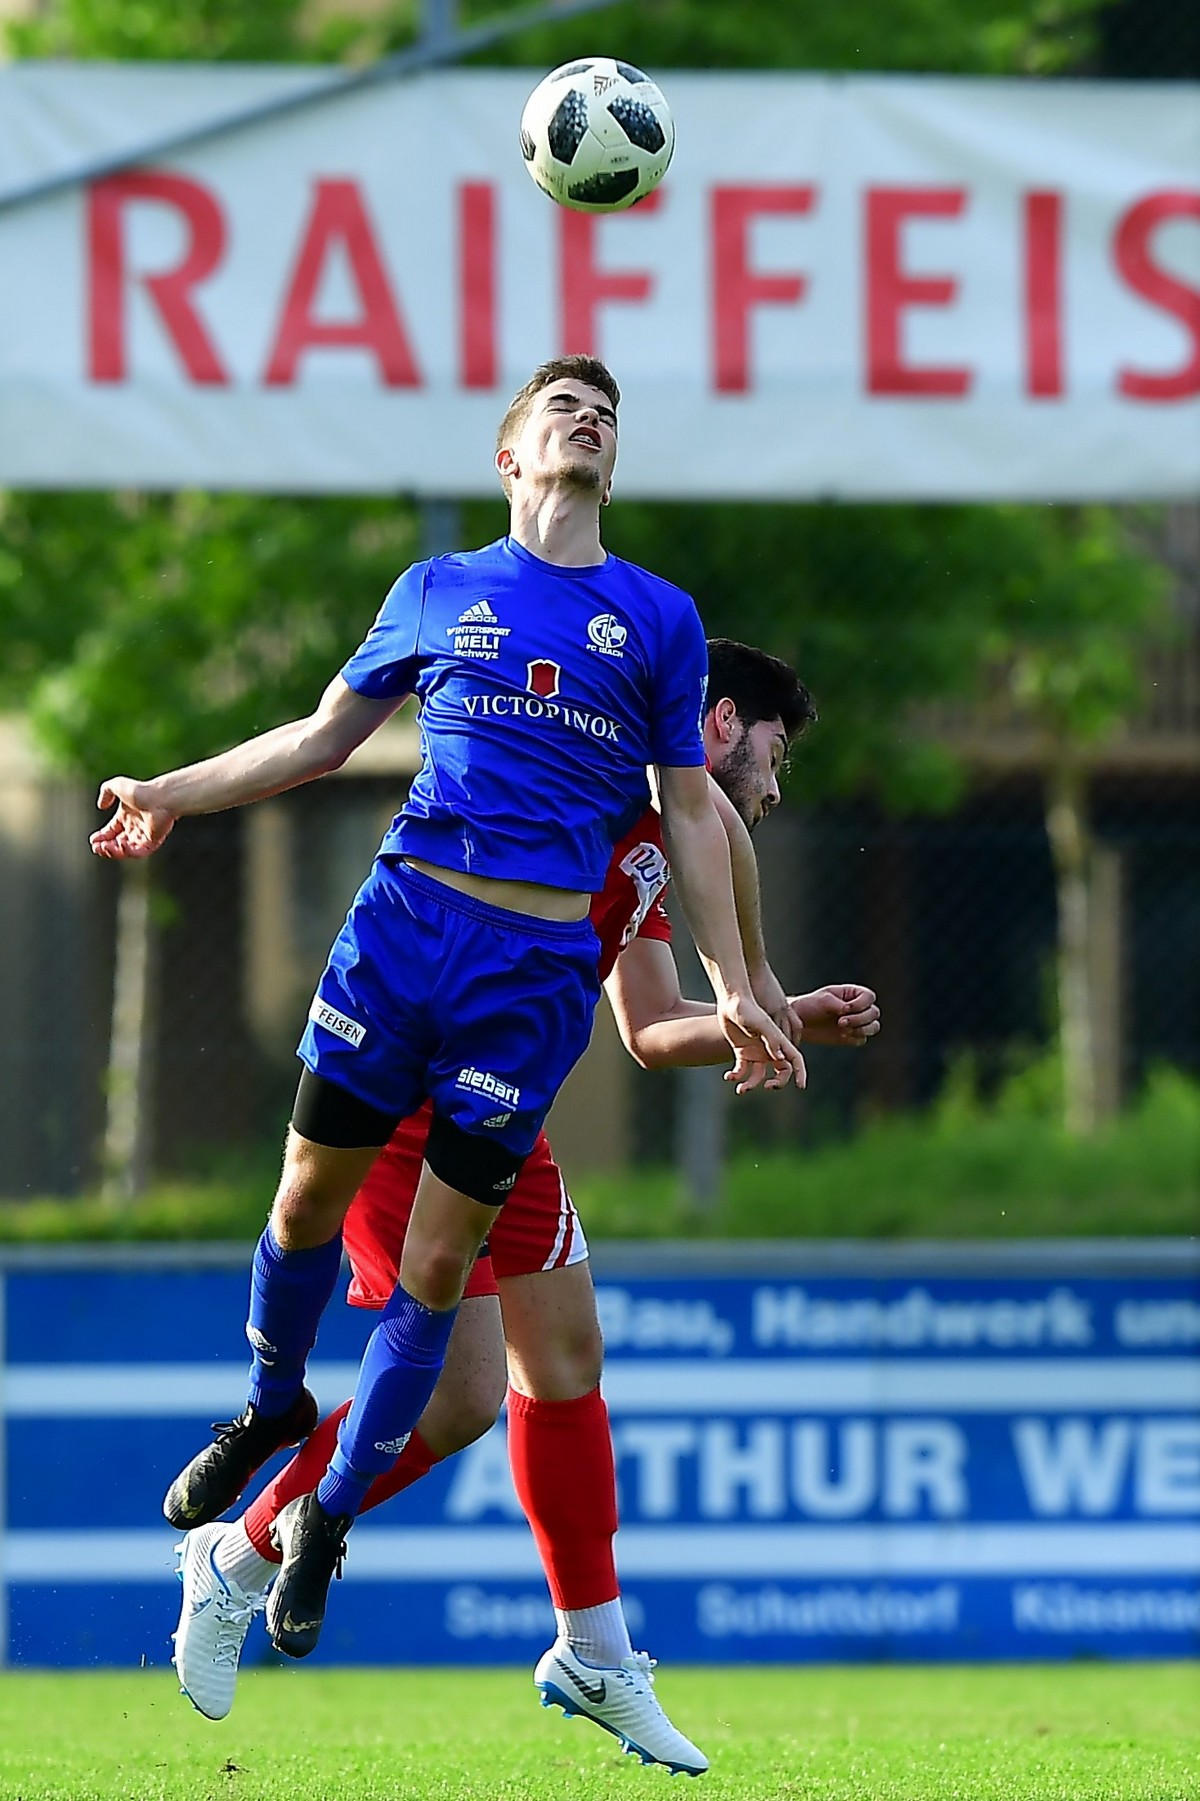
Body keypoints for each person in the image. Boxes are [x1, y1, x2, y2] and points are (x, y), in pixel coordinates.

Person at [91, 357, 804, 1686]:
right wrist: (174, 790)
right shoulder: (437, 588)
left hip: (526, 983)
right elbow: (321, 737)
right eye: (562, 408)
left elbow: (693, 813)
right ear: (509, 455)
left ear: (613, 463)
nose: (588, 420)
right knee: (309, 1207)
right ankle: (271, 1424)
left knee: (464, 1312)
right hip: (407, 930)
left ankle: (324, 1534)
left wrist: (738, 983)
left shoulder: (657, 620)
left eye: (605, 414)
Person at [169, 642, 880, 1772]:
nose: (776, 786)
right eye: (774, 753)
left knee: (528, 1373)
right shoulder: (593, 779)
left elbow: (650, 1027)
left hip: (507, 1110)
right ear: (718, 720)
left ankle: (580, 1646)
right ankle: (249, 1549)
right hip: (414, 1098)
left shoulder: (665, 848)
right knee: (467, 1378)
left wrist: (782, 1014)